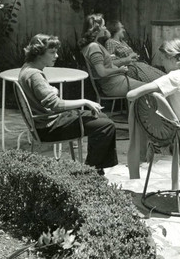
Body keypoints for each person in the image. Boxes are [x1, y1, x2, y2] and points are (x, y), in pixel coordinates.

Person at [18, 33, 118, 173]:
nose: (57, 55)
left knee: (102, 118)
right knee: (106, 126)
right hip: (50, 128)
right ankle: (91, 171)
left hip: (46, 123)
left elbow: (46, 96)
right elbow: (56, 105)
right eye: (52, 52)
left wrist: (52, 91)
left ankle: (95, 169)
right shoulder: (35, 75)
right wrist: (85, 101)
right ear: (38, 53)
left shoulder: (27, 69)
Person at [79, 14, 143, 96]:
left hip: (118, 81)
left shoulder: (94, 44)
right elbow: (102, 72)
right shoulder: (93, 47)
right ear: (97, 29)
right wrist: (119, 70)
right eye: (103, 26)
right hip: (114, 85)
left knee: (148, 87)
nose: (105, 28)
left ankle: (137, 109)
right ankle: (139, 109)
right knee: (148, 88)